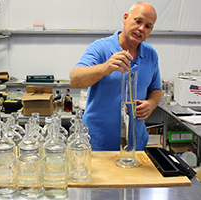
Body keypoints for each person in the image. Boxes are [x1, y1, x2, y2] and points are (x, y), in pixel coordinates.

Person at [69, 2, 162, 151]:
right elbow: (75, 79)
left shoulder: (151, 54)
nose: (141, 29)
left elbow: (156, 89)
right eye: (138, 21)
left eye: (148, 26)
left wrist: (151, 103)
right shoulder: (101, 48)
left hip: (135, 145)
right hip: (98, 144)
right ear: (126, 18)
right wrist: (105, 68)